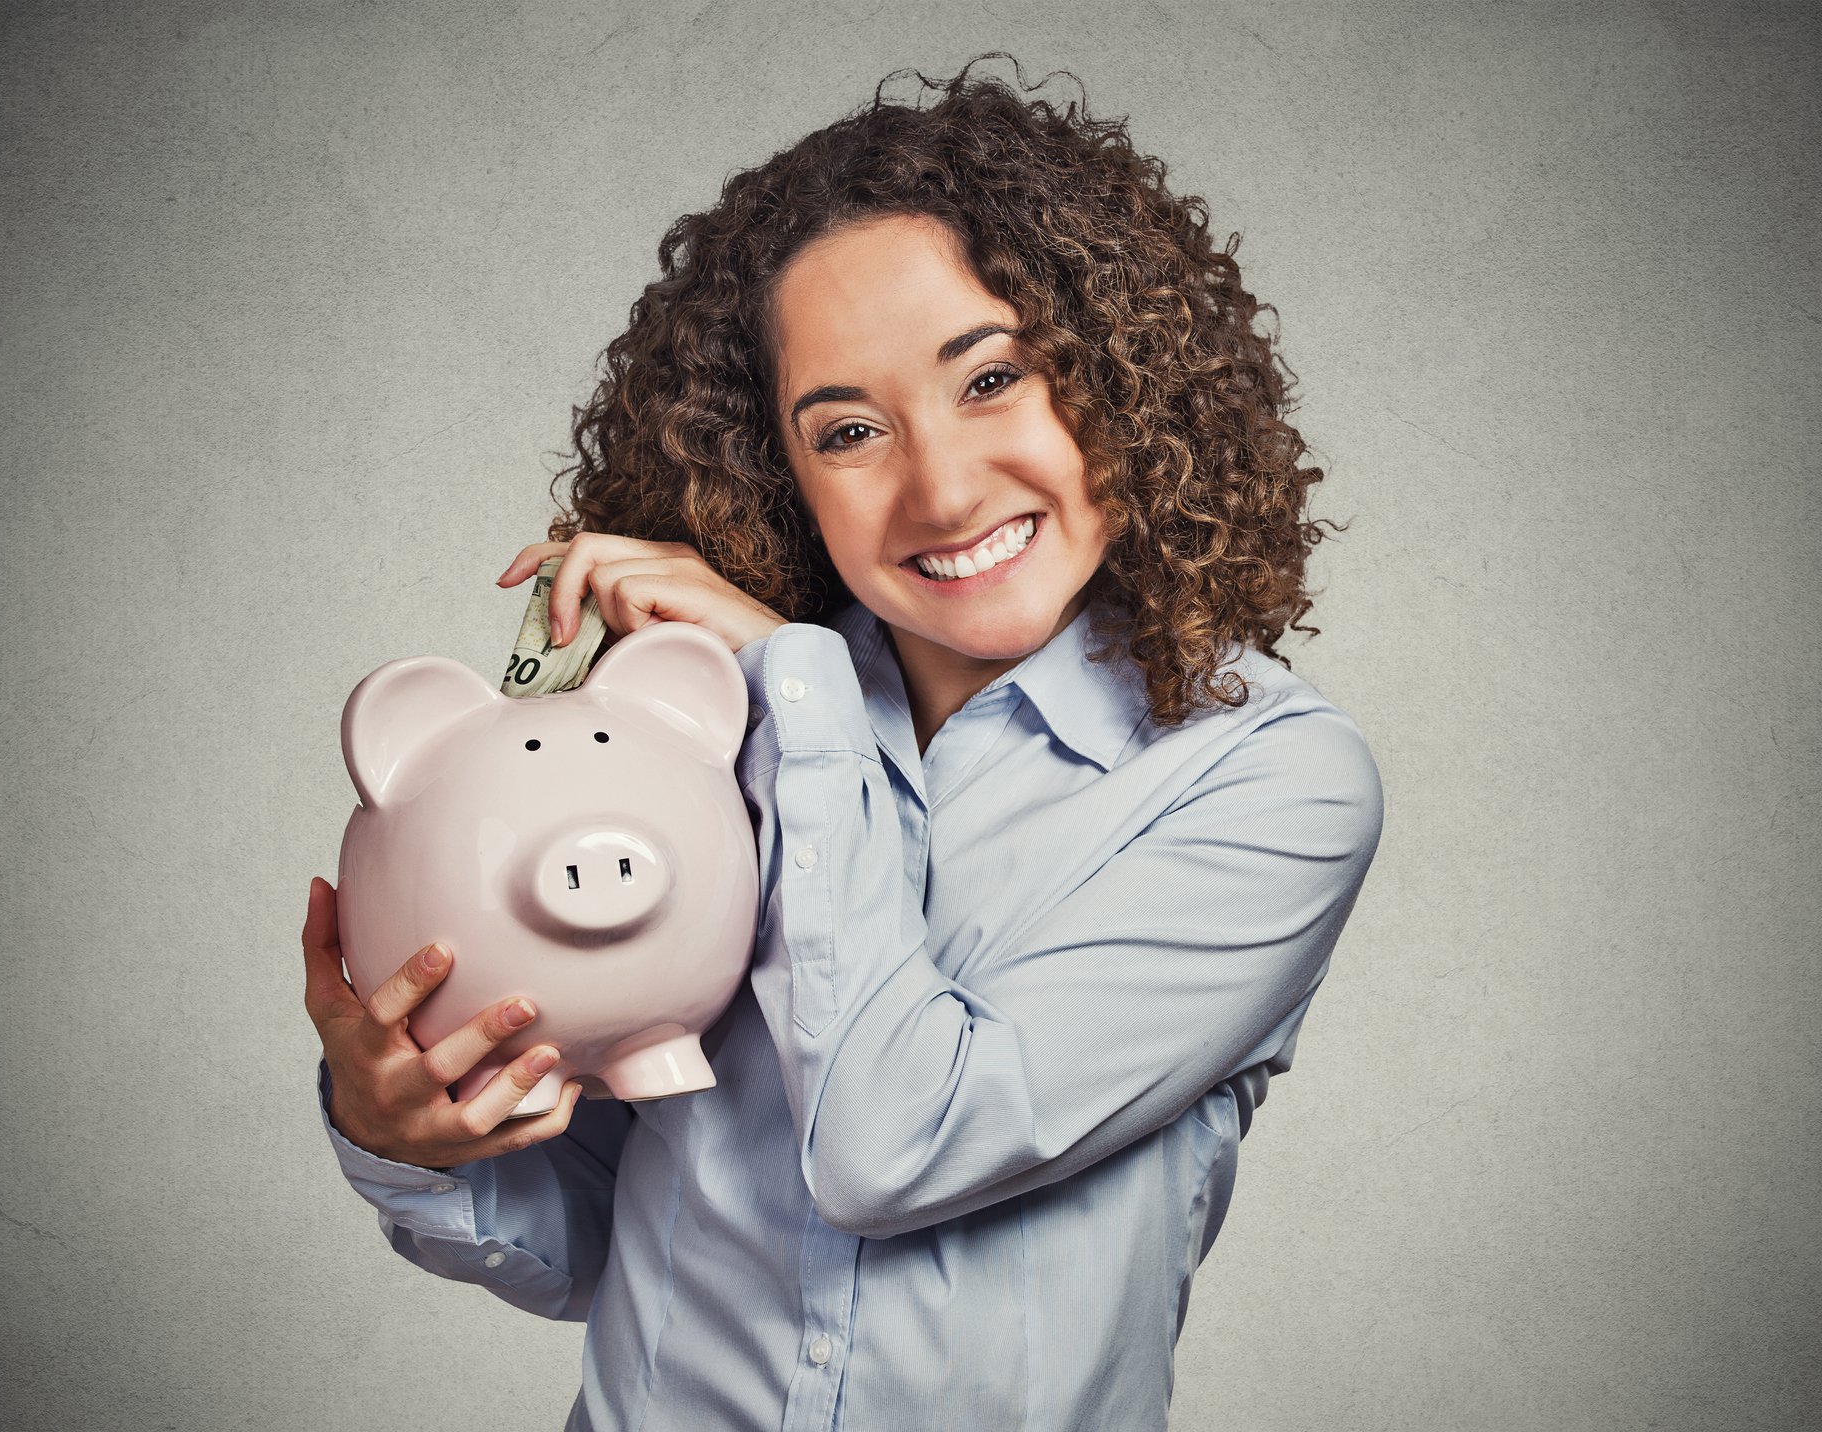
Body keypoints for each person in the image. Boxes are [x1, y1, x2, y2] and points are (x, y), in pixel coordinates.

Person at [301, 58, 1382, 1432]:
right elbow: (592, 1246)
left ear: (1121, 380)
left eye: (992, 379)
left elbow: (899, 1142)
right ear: (774, 475)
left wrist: (792, 683)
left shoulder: (1264, 779)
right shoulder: (685, 747)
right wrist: (403, 1129)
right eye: (849, 430)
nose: (939, 486)